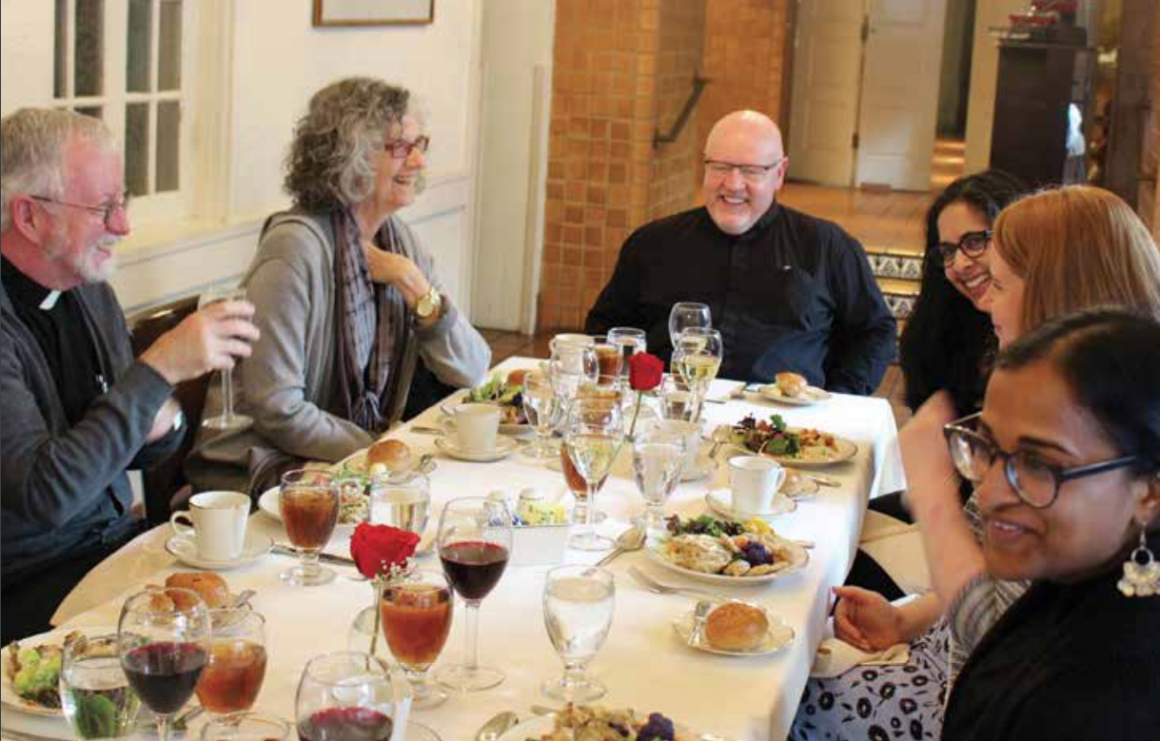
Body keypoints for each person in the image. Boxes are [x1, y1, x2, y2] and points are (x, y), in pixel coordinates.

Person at [792, 185, 1160, 741]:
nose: (984, 301)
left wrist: (933, 494)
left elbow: (1002, 632)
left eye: (1001, 283)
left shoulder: (1102, 685)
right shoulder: (1052, 406)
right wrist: (907, 617)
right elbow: (1010, 588)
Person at [1, 108, 258, 642]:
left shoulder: (89, 288)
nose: (123, 226)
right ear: (29, 216)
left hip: (114, 549)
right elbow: (48, 495)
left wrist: (155, 414)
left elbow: (140, 447)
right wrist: (159, 369)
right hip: (29, 585)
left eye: (123, 203)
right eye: (102, 208)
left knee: (254, 611)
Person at [792, 171, 1027, 741]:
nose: (965, 265)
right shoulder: (960, 330)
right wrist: (905, 617)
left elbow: (997, 611)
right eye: (947, 250)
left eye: (979, 242)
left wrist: (936, 496)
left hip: (967, 690)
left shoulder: (1058, 424)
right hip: (951, 613)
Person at [187, 77, 491, 495]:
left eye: (421, 143)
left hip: (341, 462)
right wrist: (381, 449)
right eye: (400, 147)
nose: (419, 162)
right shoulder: (294, 250)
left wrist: (414, 283)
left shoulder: (399, 243)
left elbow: (473, 368)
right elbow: (278, 408)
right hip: (261, 467)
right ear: (351, 157)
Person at [941, 308, 1160, 740]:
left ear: (1149, 492)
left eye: (1038, 464)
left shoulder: (1101, 700)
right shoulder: (1088, 573)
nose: (988, 495)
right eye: (986, 445)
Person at [584, 110, 896, 392]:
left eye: (751, 171)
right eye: (719, 167)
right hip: (670, 417)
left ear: (780, 173)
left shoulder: (827, 246)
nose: (732, 184)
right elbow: (606, 326)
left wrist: (838, 399)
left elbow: (875, 331)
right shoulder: (652, 243)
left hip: (786, 428)